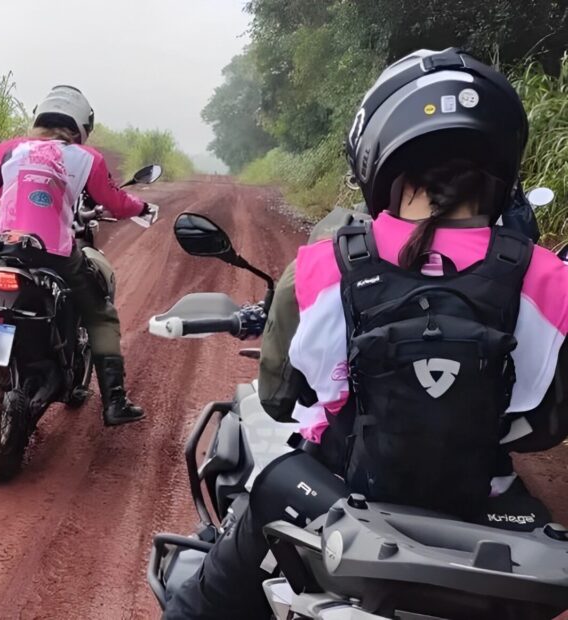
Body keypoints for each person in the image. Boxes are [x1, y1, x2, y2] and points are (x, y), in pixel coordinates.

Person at [164, 49, 568, 618]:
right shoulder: (548, 277)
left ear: (379, 159)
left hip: (336, 504)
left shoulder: (322, 266)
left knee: (200, 604)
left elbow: (280, 402)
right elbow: (543, 429)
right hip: (486, 515)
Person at [0, 85, 159, 433]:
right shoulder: (87, 157)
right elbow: (115, 201)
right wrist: (143, 207)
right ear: (79, 125)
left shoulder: (9, 149)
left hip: (5, 249)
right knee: (100, 314)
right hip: (55, 254)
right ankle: (115, 400)